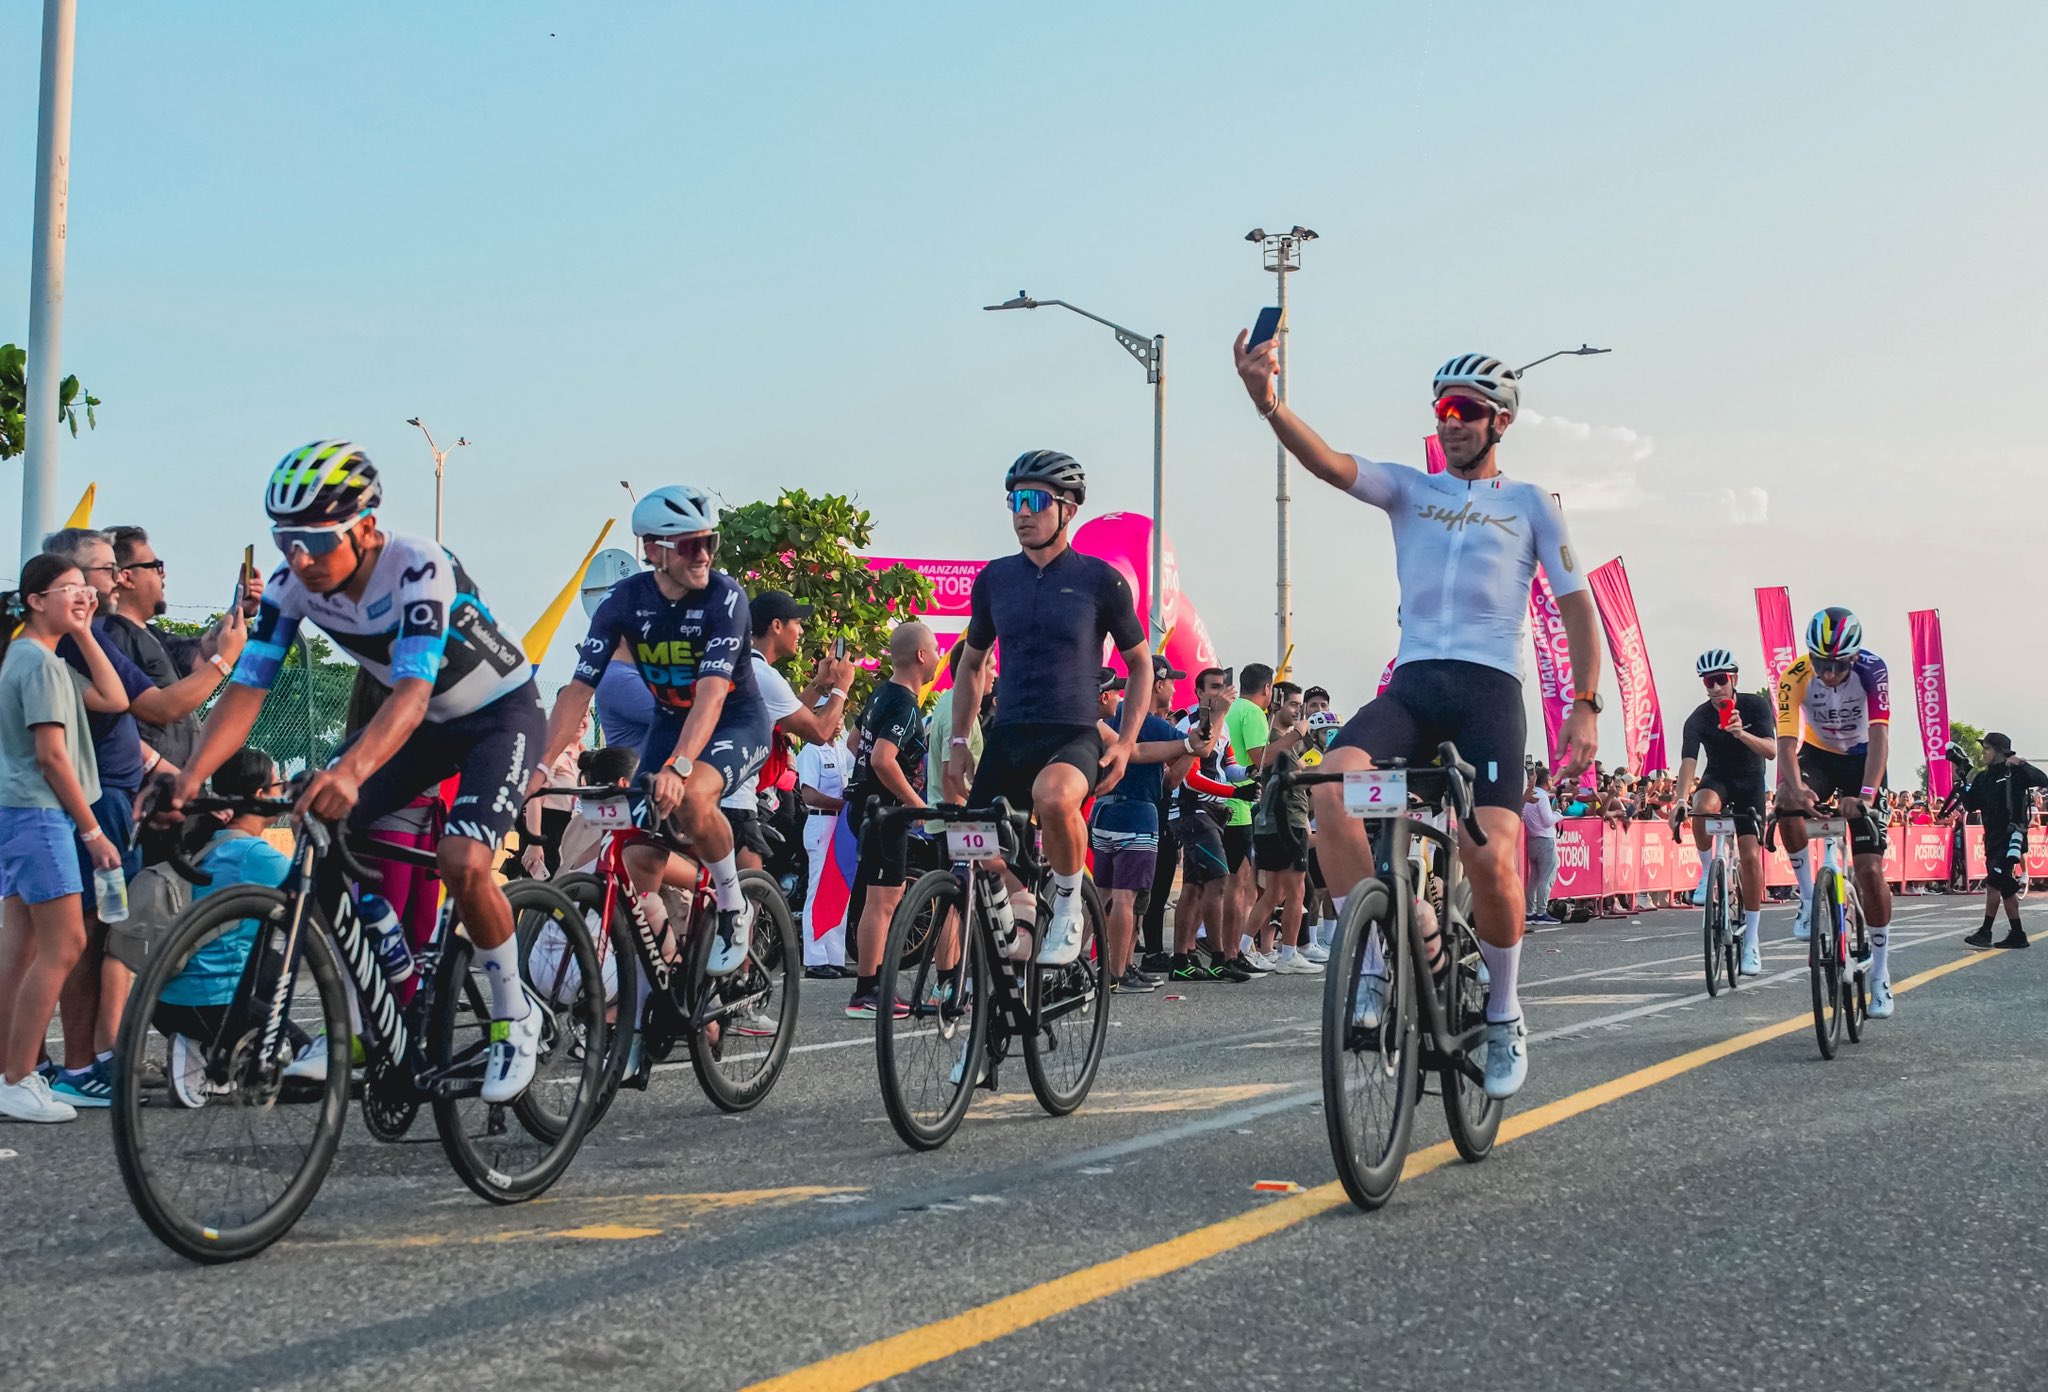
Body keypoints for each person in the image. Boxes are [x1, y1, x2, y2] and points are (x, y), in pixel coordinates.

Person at [1233, 338, 1604, 1099]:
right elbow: (1328, 463)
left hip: (1489, 692)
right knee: (1330, 788)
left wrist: (1587, 705)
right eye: (1443, 410)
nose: (1453, 422)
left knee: (1490, 855)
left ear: (1500, 421)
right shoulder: (1408, 489)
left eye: (1467, 411)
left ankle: (1503, 1010)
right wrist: (1266, 399)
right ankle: (1375, 959)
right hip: (1414, 684)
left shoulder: (1532, 503)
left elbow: (1577, 610)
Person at [171, 441, 548, 1104]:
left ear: (367, 527)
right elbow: (249, 688)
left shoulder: (417, 565)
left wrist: (352, 771)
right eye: (285, 539)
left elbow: (409, 691)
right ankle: (371, 1016)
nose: (299, 557)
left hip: (497, 716)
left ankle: (514, 1017)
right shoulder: (292, 587)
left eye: (316, 540)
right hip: (424, 727)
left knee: (461, 862)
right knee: (319, 844)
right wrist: (189, 773)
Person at [538, 483, 772, 1006]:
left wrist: (682, 766)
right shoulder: (625, 602)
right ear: (653, 550)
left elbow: (712, 696)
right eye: (692, 545)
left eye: (710, 542)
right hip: (671, 720)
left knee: (690, 798)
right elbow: (578, 692)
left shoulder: (725, 597)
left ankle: (734, 905)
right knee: (638, 867)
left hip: (734, 720)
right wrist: (538, 769)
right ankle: (657, 1005)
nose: (705, 555)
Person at [41, 526, 247, 1107]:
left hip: (118, 796)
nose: (109, 579)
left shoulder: (117, 637)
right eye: (104, 568)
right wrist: (222, 669)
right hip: (104, 797)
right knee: (84, 939)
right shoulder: (92, 639)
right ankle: (79, 1061)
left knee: (89, 933)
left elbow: (182, 669)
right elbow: (151, 705)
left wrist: (232, 622)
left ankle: (72, 1063)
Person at [945, 450, 1152, 969]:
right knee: (971, 851)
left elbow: (1141, 667)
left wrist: (1125, 743)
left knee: (1054, 799)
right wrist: (956, 741)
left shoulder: (1101, 581)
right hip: (1009, 734)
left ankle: (1067, 905)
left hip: (1072, 733)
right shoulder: (995, 579)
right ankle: (1017, 927)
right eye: (1015, 500)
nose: (1022, 512)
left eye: (1035, 501)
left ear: (1069, 509)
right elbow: (971, 666)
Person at [0, 554, 130, 1122]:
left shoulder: (34, 658)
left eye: (87, 588)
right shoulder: (41, 666)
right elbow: (53, 756)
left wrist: (81, 631)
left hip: (20, 814)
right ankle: (19, 1076)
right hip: (41, 816)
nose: (84, 596)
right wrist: (93, 830)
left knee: (22, 947)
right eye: (69, 589)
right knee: (66, 945)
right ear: (34, 599)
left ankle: (10, 1072)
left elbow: (116, 698)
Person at [1774, 606, 1896, 1016]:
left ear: (1853, 657)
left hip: (1863, 760)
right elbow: (1787, 745)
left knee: (1869, 871)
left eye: (1837, 665)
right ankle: (1809, 899)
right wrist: (1798, 787)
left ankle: (1879, 974)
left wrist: (1865, 795)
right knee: (1786, 800)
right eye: (1821, 663)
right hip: (1821, 757)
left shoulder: (1873, 670)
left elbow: (1880, 738)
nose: (1827, 673)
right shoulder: (1794, 675)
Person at [843, 622, 940, 1018]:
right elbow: (882, 758)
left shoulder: (880, 693)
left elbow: (854, 742)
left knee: (880, 899)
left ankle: (872, 985)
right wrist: (915, 803)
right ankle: (868, 991)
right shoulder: (903, 703)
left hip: (867, 807)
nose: (938, 655)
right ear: (920, 655)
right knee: (883, 902)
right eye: (934, 648)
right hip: (885, 812)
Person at [719, 590, 855, 870]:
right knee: (747, 894)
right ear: (777, 626)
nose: (801, 631)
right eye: (797, 622)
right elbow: (818, 732)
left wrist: (820, 684)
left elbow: (784, 721)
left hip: (715, 793)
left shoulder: (741, 665)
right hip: (734, 799)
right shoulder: (764, 674)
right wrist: (842, 687)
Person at [1090, 666, 1206, 993]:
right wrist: (1191, 743)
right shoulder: (1153, 725)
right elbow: (1175, 775)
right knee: (1128, 897)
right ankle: (1118, 972)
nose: (1173, 688)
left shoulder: (1104, 719)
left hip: (1103, 811)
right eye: (1170, 682)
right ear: (1156, 684)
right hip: (1138, 813)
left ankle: (1082, 963)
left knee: (1101, 894)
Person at [1670, 649, 1776, 973]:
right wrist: (1679, 801)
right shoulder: (1698, 718)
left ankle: (1753, 943)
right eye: (1708, 682)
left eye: (1720, 680)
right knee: (1701, 808)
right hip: (1718, 779)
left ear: (1734, 680)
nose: (1715, 688)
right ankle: (1707, 874)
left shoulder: (1755, 706)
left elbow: (1772, 751)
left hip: (1750, 782)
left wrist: (1740, 733)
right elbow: (1688, 763)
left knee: (1749, 856)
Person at [1167, 668, 1250, 983]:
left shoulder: (1223, 724)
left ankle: (1181, 959)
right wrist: (1233, 791)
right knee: (1219, 881)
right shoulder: (1192, 724)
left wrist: (1250, 773)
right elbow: (1191, 777)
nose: (1221, 692)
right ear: (1199, 692)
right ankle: (1218, 958)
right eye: (1214, 687)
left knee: (1194, 887)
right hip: (1193, 810)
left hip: (1212, 811)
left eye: (1224, 686)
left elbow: (1228, 766)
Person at [1247, 681, 1321, 973]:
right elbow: (1288, 775)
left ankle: (1242, 948)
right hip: (1286, 821)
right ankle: (1289, 954)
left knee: (1275, 893)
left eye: (1299, 706)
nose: (1298, 711)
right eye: (1294, 704)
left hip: (1277, 821)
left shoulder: (1286, 743)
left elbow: (1297, 772)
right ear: (1277, 704)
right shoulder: (1278, 740)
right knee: (1297, 890)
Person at [1957, 733, 2046, 949]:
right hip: (1992, 837)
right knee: (2005, 885)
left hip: (2011, 835)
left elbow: (2043, 780)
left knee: (1994, 883)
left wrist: (2022, 764)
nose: (1983, 752)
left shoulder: (2014, 772)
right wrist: (1960, 778)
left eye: (1987, 748)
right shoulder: (1983, 777)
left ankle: (1985, 932)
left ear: (1998, 750)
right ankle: (2017, 934)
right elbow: (1970, 805)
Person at [1221, 664, 1273, 964]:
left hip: (1223, 796)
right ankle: (1233, 951)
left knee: (1235, 882)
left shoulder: (1232, 708)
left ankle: (1232, 948)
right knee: (1237, 882)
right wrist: (1295, 740)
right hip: (1239, 802)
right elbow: (1259, 760)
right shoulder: (1253, 712)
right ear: (1267, 688)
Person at [795, 723, 854, 977]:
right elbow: (810, 796)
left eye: (841, 715)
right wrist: (845, 804)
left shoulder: (841, 750)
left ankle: (835, 958)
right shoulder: (811, 750)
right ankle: (815, 959)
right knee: (818, 891)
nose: (839, 721)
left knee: (838, 890)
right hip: (821, 821)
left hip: (840, 825)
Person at [1522, 765, 1562, 923]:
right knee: (1545, 878)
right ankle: (1541, 912)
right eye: (1551, 778)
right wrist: (1559, 815)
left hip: (1532, 839)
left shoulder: (1529, 795)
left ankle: (1530, 911)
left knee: (1534, 878)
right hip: (1545, 840)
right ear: (1546, 780)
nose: (1552, 781)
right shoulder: (1543, 797)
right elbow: (1547, 820)